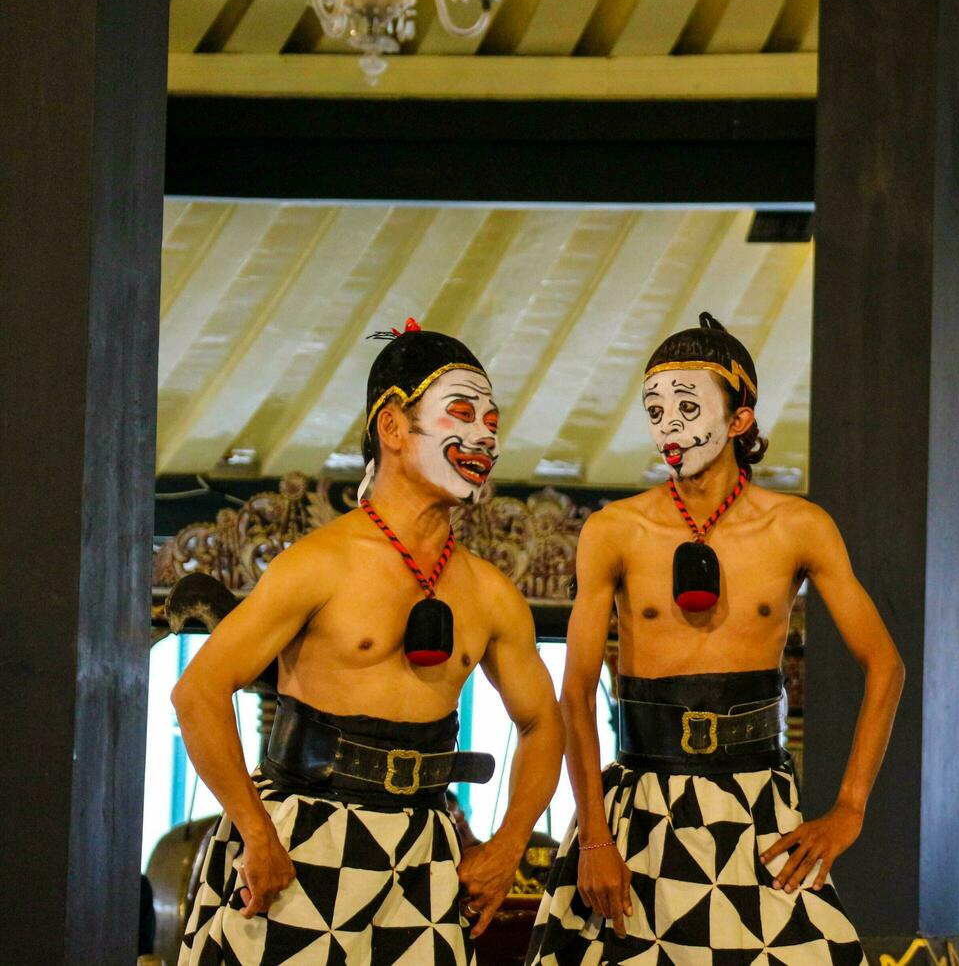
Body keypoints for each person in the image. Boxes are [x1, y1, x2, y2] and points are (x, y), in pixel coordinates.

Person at [175, 319, 565, 964]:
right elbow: (199, 692)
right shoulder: (319, 562)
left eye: (492, 421)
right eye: (461, 413)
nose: (483, 438)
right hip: (300, 836)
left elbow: (542, 722)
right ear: (391, 426)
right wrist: (256, 833)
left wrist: (508, 845)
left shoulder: (492, 592)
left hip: (427, 847)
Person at [524, 313, 905, 965]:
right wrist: (592, 837)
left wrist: (850, 806)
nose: (669, 423)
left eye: (688, 404)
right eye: (656, 408)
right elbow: (577, 691)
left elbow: (886, 666)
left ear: (739, 418)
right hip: (636, 802)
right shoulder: (614, 530)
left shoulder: (798, 527)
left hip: (757, 798)